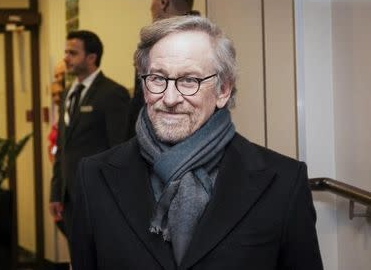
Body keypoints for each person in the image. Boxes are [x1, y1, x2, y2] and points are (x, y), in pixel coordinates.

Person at [71, 16, 323, 269]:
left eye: (189, 81)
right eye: (158, 78)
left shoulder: (283, 182)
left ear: (223, 90)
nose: (170, 98)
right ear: (144, 87)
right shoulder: (94, 177)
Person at [49, 30, 130, 256]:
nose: (65, 58)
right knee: (79, 256)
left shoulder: (113, 93)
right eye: (66, 52)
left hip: (99, 195)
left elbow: (120, 148)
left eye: (73, 53)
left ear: (91, 58)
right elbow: (62, 146)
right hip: (70, 196)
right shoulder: (67, 94)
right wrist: (56, 192)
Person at [128, 0, 200, 137]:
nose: (150, 6)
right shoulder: (210, 42)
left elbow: (141, 103)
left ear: (163, 1)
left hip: (160, 140)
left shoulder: (154, 44)